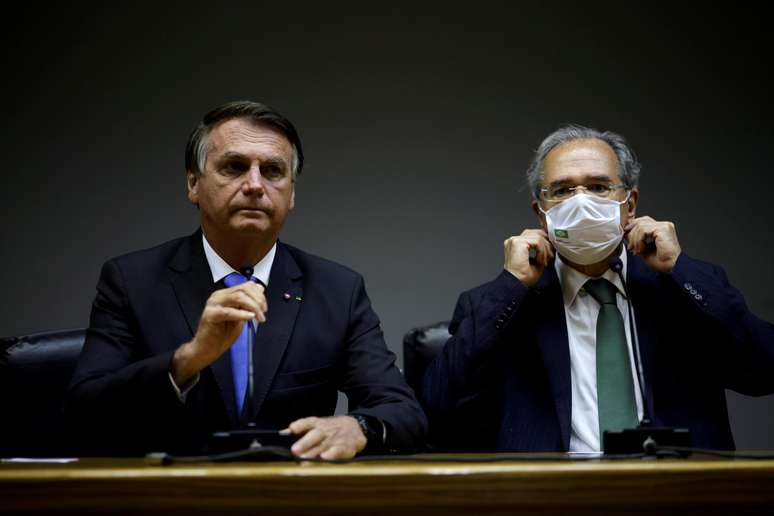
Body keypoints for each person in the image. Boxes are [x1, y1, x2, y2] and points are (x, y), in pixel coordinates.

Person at [66, 100, 426, 459]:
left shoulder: (336, 290)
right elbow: (84, 414)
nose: (254, 185)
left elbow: (404, 412)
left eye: (272, 171)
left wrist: (358, 427)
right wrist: (188, 360)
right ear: (194, 183)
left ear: (292, 193)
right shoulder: (132, 281)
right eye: (234, 167)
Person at [422, 125, 774, 452]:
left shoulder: (682, 288)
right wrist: (511, 287)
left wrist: (680, 269)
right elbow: (440, 406)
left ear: (630, 205)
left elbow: (764, 370)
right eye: (561, 190)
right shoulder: (504, 302)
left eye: (598, 187)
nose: (581, 202)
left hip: (677, 493)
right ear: (541, 214)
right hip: (554, 497)